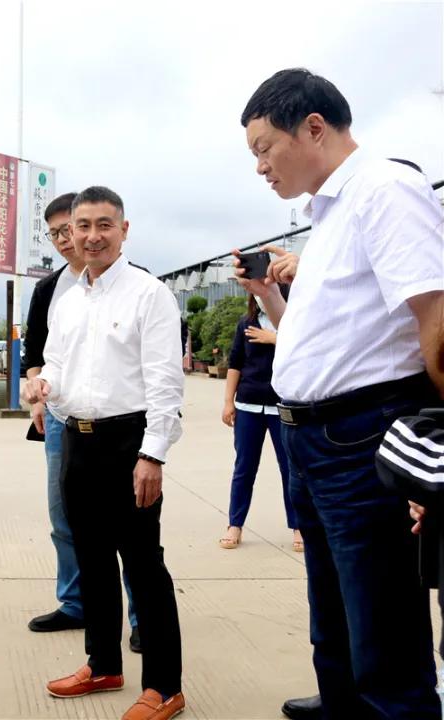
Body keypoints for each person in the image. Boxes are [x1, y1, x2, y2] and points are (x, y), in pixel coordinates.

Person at [239, 68, 444, 718]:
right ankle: (342, 702)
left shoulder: (386, 189)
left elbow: (435, 319)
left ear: (314, 127)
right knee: (332, 612)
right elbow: (324, 334)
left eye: (264, 148)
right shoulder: (327, 213)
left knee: (381, 627)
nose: (261, 167)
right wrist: (271, 298)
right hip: (313, 440)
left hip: (361, 435)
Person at [25, 186, 186, 720]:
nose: (91, 236)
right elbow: (54, 364)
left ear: (123, 229)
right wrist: (43, 386)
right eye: (82, 226)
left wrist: (154, 454)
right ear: (71, 232)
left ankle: (164, 686)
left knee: (143, 565)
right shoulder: (68, 300)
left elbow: (166, 384)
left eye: (103, 225)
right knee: (91, 559)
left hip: (130, 443)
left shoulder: (148, 294)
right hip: (77, 439)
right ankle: (103, 664)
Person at [22, 192, 141, 653]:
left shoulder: (134, 286)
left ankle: (138, 615)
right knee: (65, 516)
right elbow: (37, 355)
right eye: (56, 233)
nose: (67, 239)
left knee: (129, 530)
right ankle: (76, 603)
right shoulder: (50, 290)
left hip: (120, 425)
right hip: (61, 420)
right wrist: (36, 392)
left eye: (68, 229)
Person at [218, 291, 301, 552]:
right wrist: (228, 401)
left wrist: (274, 338)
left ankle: (299, 527)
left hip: (282, 407)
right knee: (244, 468)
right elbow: (235, 363)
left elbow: (304, 351)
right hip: (248, 406)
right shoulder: (246, 323)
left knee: (290, 469)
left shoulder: (293, 321)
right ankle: (235, 524)